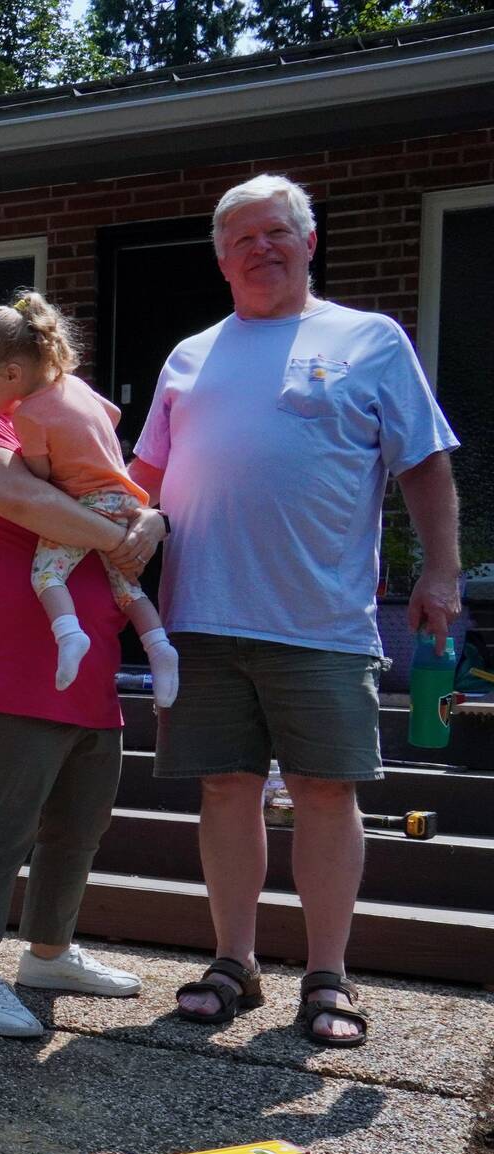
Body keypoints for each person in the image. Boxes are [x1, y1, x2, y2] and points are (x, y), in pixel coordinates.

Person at [131, 174, 460, 1049]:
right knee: (224, 788)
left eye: (277, 232)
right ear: (221, 258)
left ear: (308, 242)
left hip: (320, 619)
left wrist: (442, 572)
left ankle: (328, 974)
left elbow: (424, 464)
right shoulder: (191, 354)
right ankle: (234, 961)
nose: (261, 248)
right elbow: (144, 485)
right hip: (199, 613)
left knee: (324, 790)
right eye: (242, 239)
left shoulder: (369, 339)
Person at [0, 306, 167, 1038]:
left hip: (82, 657)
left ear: (14, 371)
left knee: (80, 821)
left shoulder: (72, 422)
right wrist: (125, 537)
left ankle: (49, 953)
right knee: (0, 826)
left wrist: (153, 520)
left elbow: (132, 492)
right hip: (0, 656)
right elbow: (18, 498)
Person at [0, 293, 182, 709]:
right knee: (126, 588)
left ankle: (68, 634)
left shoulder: (28, 413)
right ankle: (159, 649)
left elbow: (41, 478)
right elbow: (113, 414)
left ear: (14, 370)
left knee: (46, 575)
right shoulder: (75, 384)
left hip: (88, 502)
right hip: (125, 497)